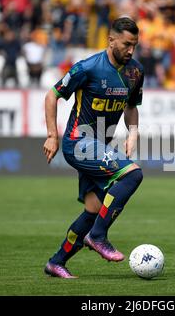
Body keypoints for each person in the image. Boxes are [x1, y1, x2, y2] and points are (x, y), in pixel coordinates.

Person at [42, 17, 144, 278]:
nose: (130, 50)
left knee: (93, 209)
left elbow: (131, 107)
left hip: (99, 146)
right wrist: (52, 135)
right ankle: (98, 236)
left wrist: (132, 132)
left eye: (134, 45)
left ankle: (57, 262)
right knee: (133, 174)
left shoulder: (135, 72)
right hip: (78, 142)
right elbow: (52, 95)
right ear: (111, 40)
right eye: (126, 44)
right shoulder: (87, 68)